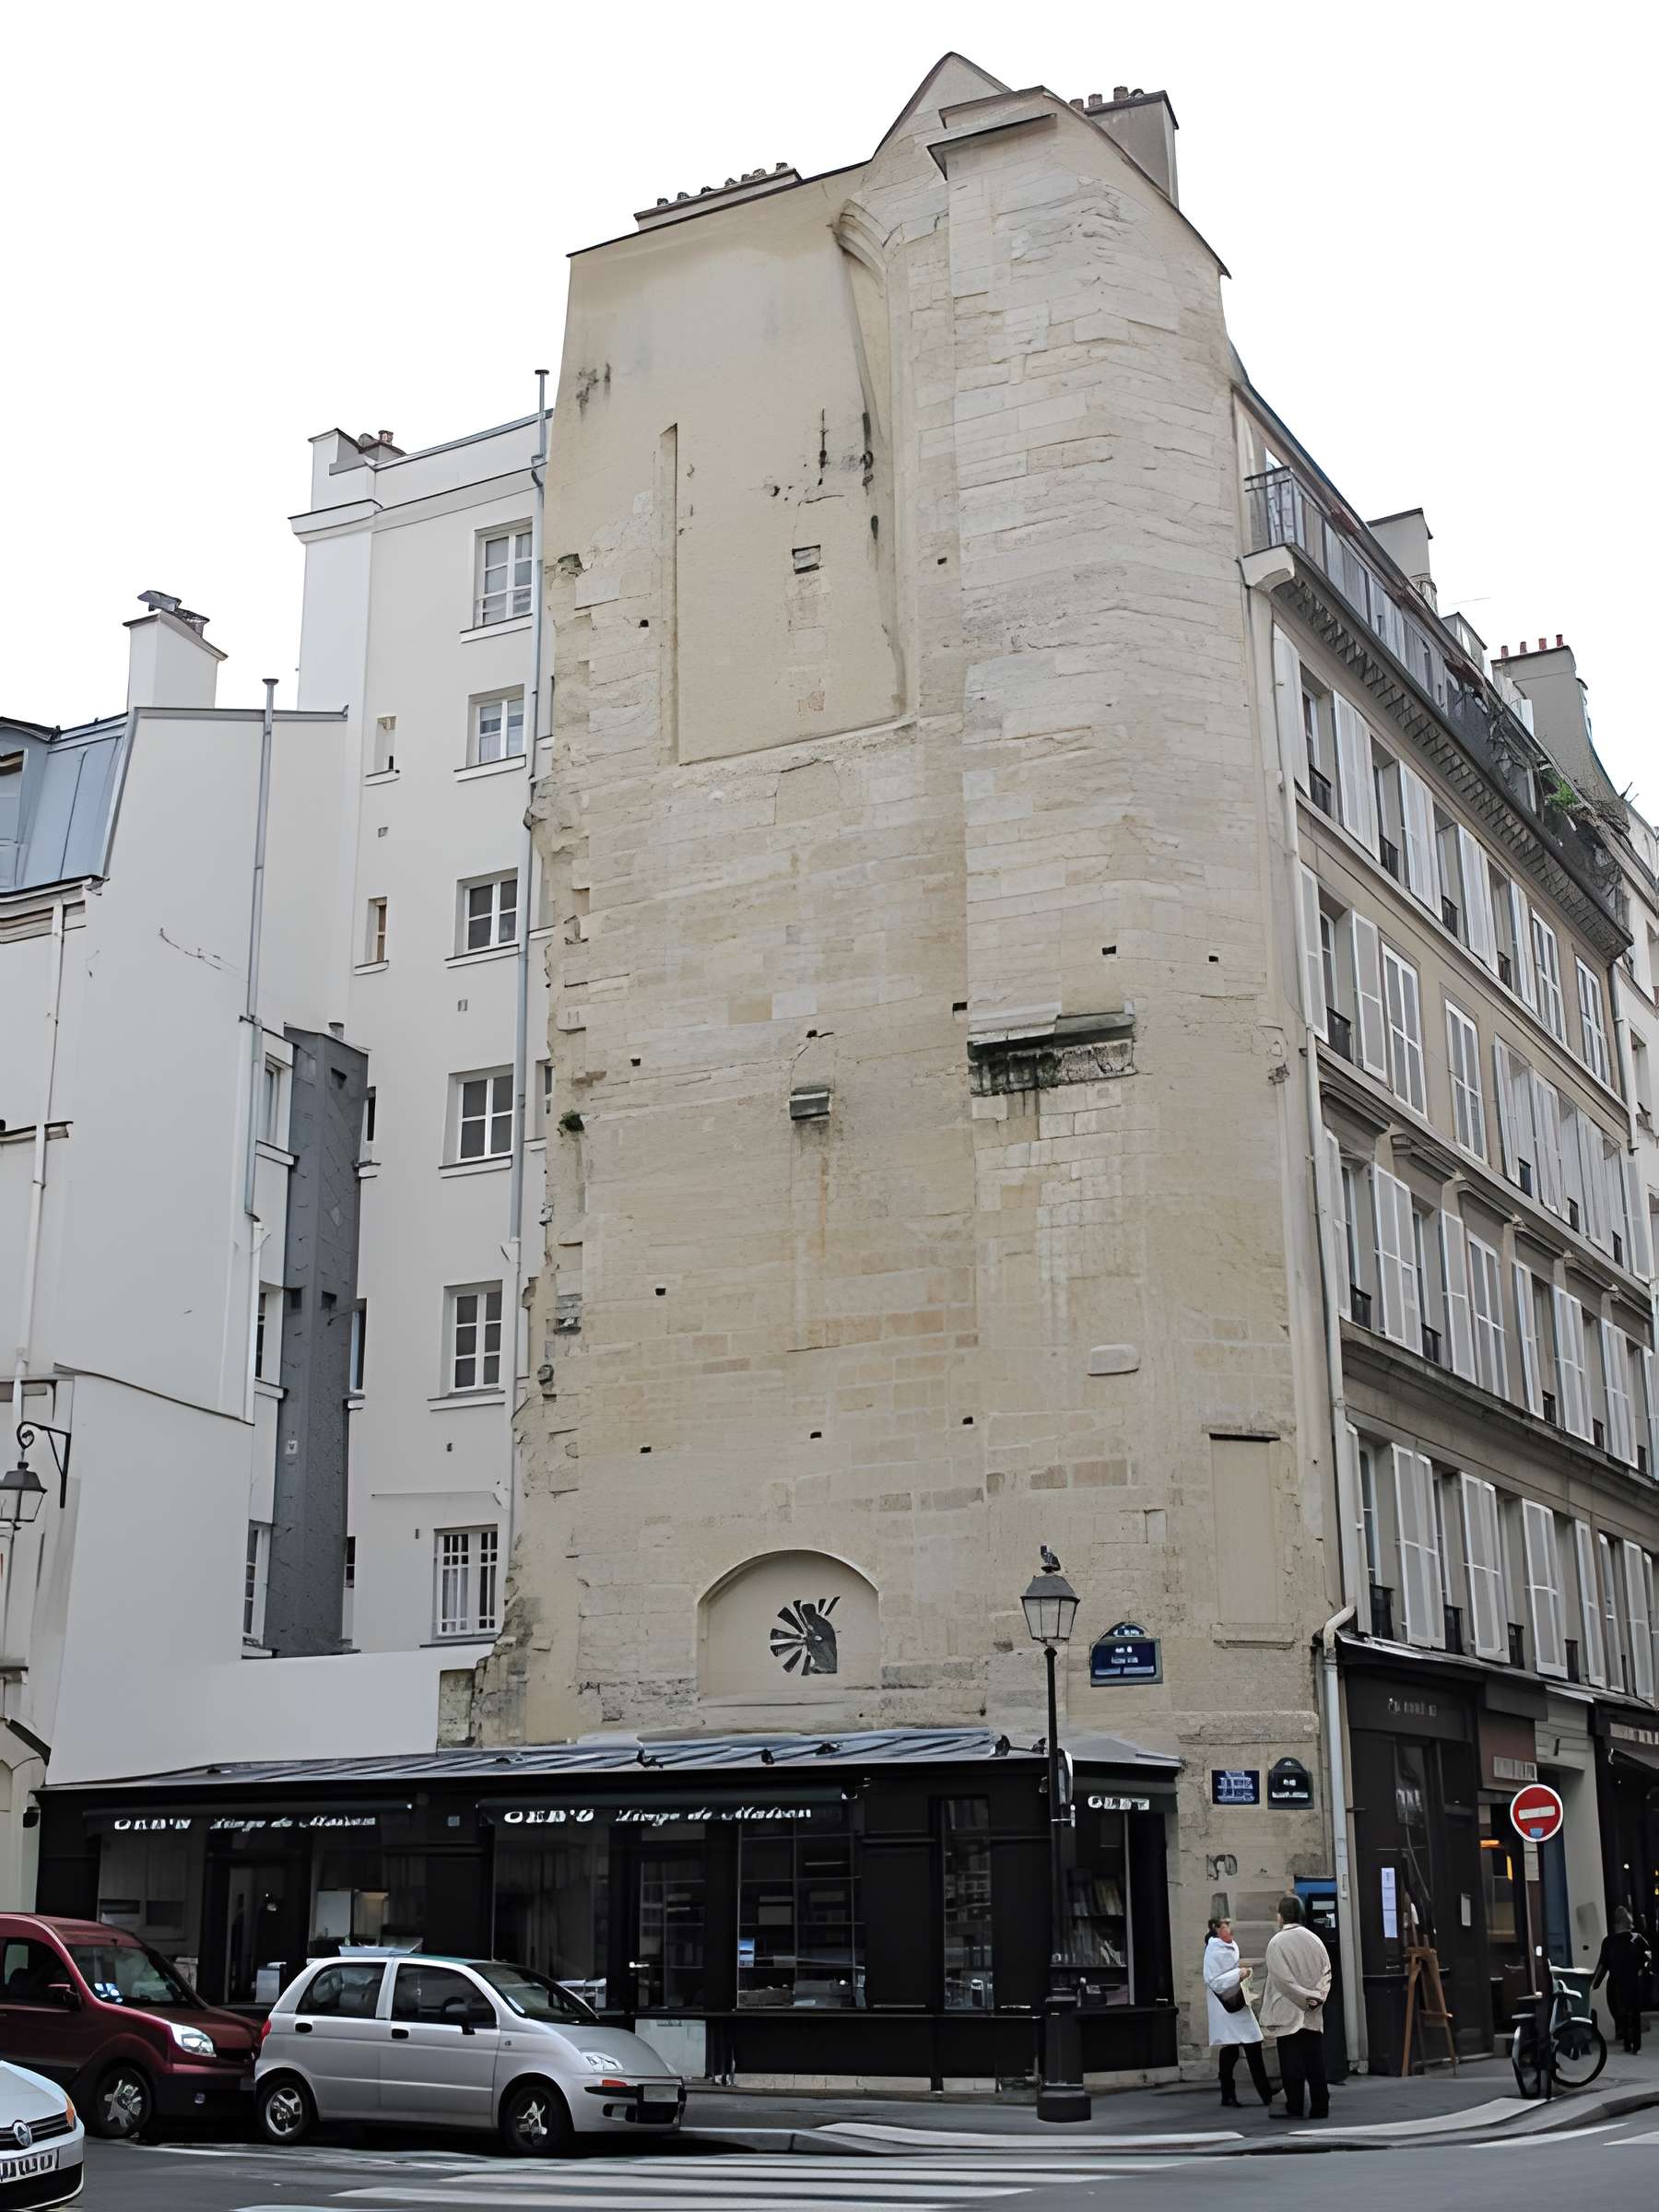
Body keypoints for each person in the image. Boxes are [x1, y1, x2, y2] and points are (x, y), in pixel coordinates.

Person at [1260, 1893, 1332, 2120]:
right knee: (1315, 2061)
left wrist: (1304, 1998)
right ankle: (1320, 2106)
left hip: (1288, 2010)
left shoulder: (1276, 1943)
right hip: (1313, 2011)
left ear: (1281, 1916)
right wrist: (1317, 1997)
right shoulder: (1315, 1940)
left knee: (1291, 2063)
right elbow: (1326, 1973)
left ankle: (1295, 2105)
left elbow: (1283, 1982)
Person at [1203, 1916, 1273, 2108]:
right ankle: (1251, 2093)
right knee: (1240, 2047)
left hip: (1234, 2001)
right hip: (1225, 2004)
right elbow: (1212, 1979)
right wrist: (1239, 1973)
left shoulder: (1227, 1946)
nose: (1230, 1930)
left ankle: (1255, 2093)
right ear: (1217, 1929)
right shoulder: (1213, 1949)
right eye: (1226, 1926)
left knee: (1245, 2045)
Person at [1593, 1908, 1653, 2054]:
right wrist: (1642, 1971)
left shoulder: (1608, 1942)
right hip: (1633, 1980)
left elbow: (1603, 1964)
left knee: (1622, 2011)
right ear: (1629, 1923)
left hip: (1616, 1982)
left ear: (1616, 1924)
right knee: (1635, 2012)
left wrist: (1595, 1982)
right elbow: (1648, 1959)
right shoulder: (1638, 1939)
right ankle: (1636, 2044)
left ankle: (1626, 2041)